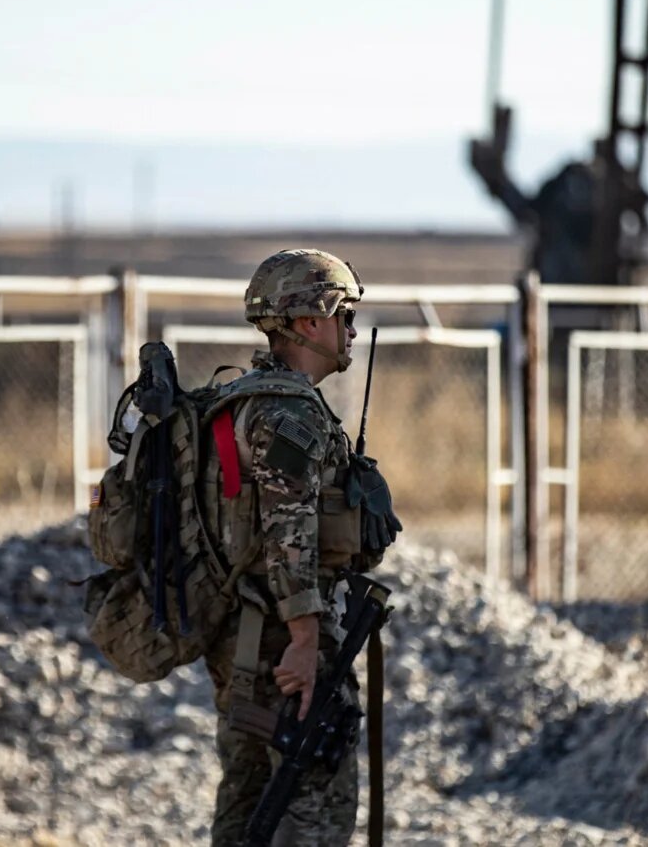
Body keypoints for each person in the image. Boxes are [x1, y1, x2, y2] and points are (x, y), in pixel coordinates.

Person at [206, 248, 381, 847]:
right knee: (314, 813)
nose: (351, 332)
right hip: (287, 649)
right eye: (345, 316)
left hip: (243, 644)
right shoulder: (288, 414)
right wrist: (307, 643)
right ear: (310, 322)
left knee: (246, 807)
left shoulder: (242, 401)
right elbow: (289, 538)